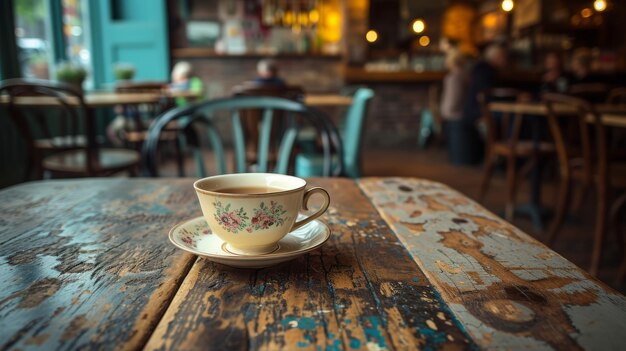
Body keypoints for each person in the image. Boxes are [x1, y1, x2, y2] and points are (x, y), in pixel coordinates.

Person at [452, 43, 508, 165]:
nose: (505, 60)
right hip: (476, 113)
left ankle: (500, 157)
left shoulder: (483, 69)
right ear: (496, 57)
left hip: (474, 111)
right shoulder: (485, 71)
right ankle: (502, 157)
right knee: (508, 120)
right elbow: (488, 97)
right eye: (503, 57)